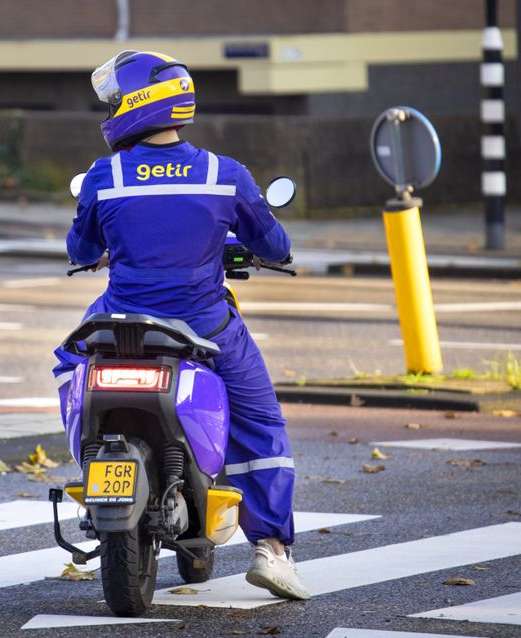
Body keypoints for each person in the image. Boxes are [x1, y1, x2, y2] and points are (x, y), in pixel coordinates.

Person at [52, 50, 309, 601]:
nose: (115, 106)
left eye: (118, 97)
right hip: (205, 326)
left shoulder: (106, 175)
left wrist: (108, 247)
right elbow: (275, 245)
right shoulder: (225, 174)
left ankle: (92, 454)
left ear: (138, 103)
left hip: (120, 326)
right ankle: (272, 550)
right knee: (260, 423)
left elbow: (81, 247)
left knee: (67, 361)